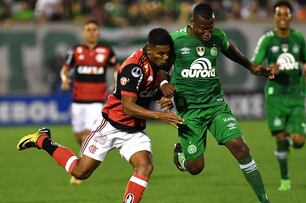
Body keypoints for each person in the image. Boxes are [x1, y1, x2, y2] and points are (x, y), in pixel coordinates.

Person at [17, 28, 184, 203]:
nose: (165, 58)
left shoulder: (158, 60)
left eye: (167, 54)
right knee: (80, 172)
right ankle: (42, 140)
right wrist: (159, 115)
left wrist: (163, 97)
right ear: (149, 50)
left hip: (134, 131)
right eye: (161, 54)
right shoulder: (132, 69)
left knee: (145, 167)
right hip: (111, 125)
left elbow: (153, 84)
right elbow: (128, 107)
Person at [159, 3, 278, 203]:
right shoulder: (177, 40)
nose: (207, 33)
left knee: (241, 149)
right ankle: (181, 155)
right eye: (202, 28)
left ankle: (265, 200)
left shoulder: (217, 36)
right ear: (192, 23)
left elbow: (229, 48)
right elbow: (163, 65)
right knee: (196, 167)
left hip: (216, 106)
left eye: (210, 28)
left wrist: (251, 67)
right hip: (190, 111)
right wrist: (163, 84)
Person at [251, 1, 306, 191]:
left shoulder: (298, 38)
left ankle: (290, 141)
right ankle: (285, 179)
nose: (282, 18)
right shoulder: (267, 40)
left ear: (291, 17)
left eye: (286, 14)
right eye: (279, 14)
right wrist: (269, 69)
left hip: (295, 94)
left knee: (299, 142)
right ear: (274, 17)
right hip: (275, 96)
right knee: (280, 137)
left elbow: (305, 60)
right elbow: (254, 67)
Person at [60, 19, 118, 184]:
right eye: (88, 29)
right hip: (78, 101)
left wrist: (116, 83)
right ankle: (92, 153)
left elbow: (116, 69)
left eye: (94, 29)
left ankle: (79, 171)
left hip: (97, 101)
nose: (91, 32)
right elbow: (65, 69)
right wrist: (64, 80)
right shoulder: (76, 51)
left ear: (98, 32)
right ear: (83, 33)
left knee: (87, 135)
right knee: (79, 136)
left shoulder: (106, 51)